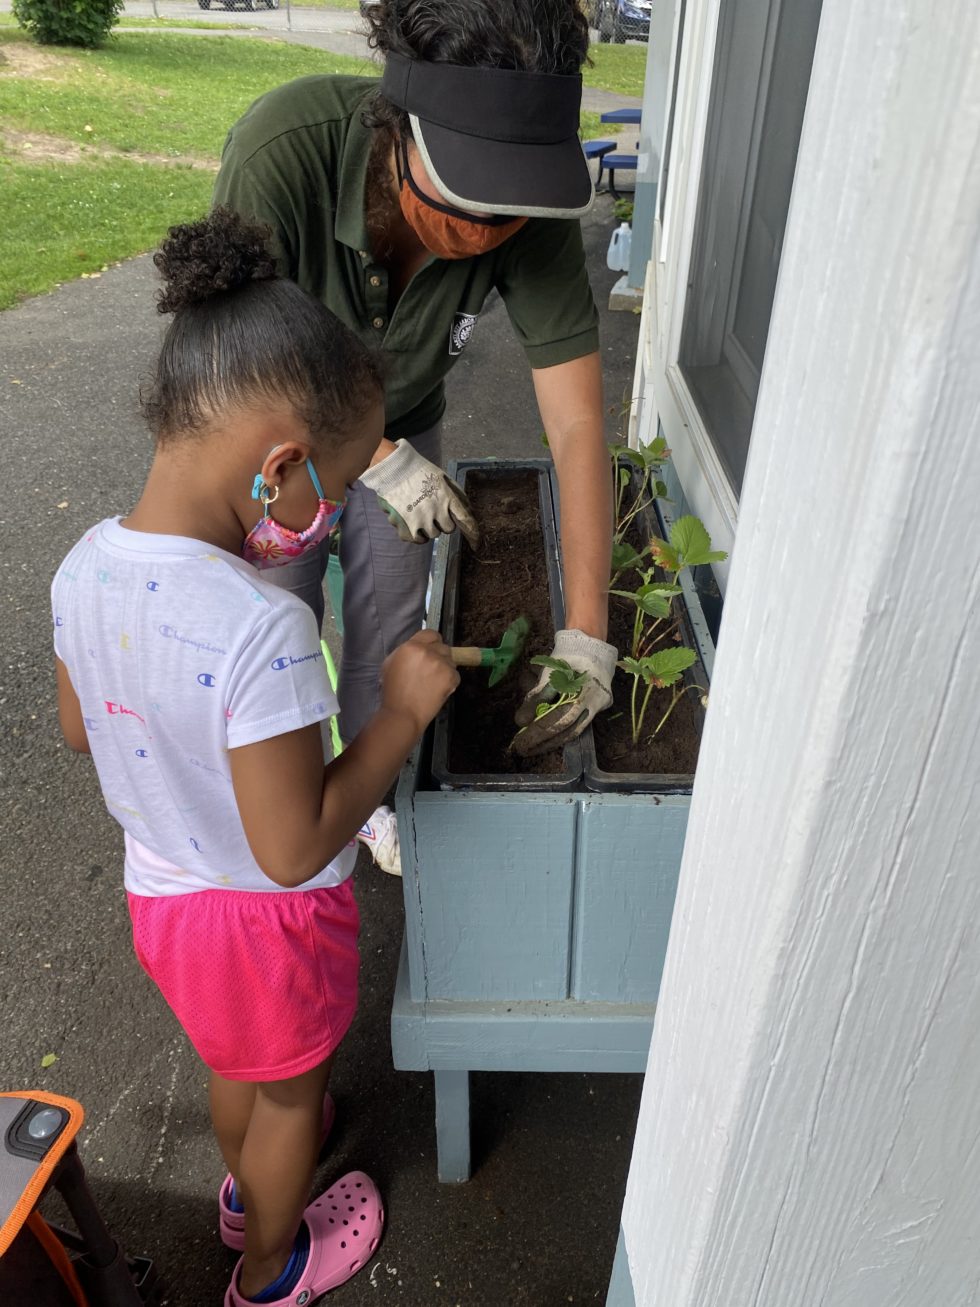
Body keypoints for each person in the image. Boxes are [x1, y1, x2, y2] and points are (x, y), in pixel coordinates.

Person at [50, 209, 459, 1307]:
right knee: (287, 1094)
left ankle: (247, 1189)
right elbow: (293, 844)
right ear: (278, 463)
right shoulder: (258, 627)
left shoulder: (82, 567)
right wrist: (400, 711)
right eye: (324, 488)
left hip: (164, 895)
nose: (319, 518)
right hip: (265, 921)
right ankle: (270, 1264)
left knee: (242, 1064)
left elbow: (85, 726)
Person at [213, 0, 619, 876]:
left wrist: (588, 632)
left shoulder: (526, 202)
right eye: (466, 201)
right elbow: (237, 376)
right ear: (397, 131)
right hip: (278, 445)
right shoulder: (286, 154)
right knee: (277, 615)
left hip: (412, 419)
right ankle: (277, 806)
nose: (486, 235)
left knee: (390, 625)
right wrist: (376, 458)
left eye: (509, 214)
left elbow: (579, 420)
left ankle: (366, 798)